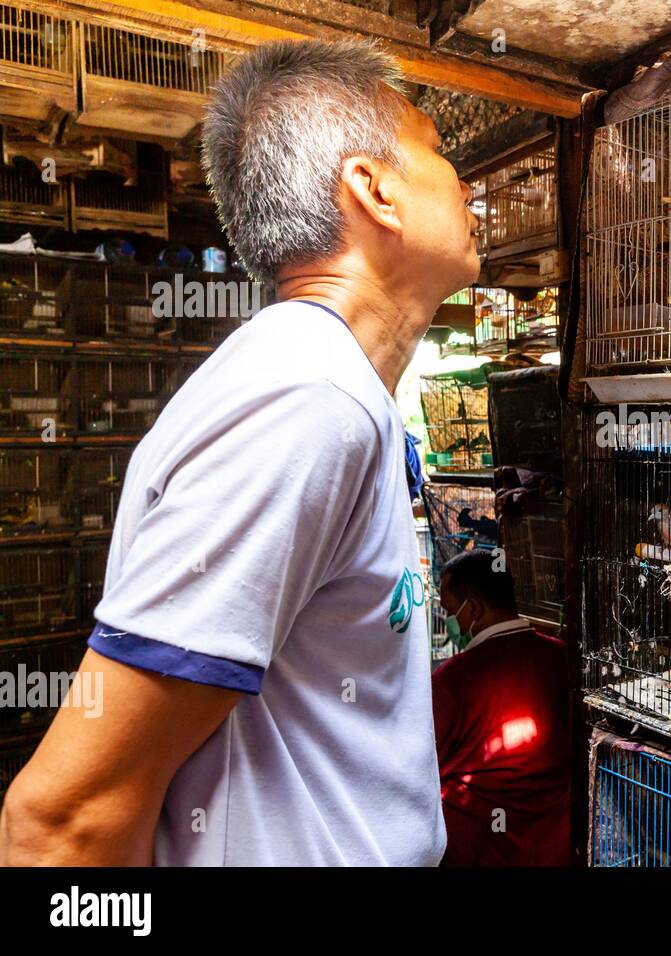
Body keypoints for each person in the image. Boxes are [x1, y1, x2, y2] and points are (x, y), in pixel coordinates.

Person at [0, 39, 480, 865]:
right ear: (374, 189)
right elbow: (61, 823)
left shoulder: (327, 388)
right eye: (440, 152)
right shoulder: (303, 398)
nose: (464, 183)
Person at [432, 550, 572, 866]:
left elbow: (425, 767)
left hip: (478, 850)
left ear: (474, 610)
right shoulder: (560, 657)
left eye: (450, 611)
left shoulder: (451, 680)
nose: (450, 620)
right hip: (555, 845)